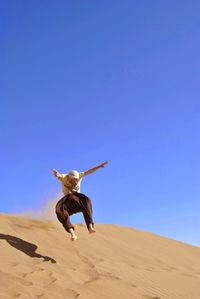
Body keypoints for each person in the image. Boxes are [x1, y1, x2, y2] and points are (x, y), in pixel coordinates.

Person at [53, 161, 109, 241]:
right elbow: (58, 176)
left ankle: (90, 227)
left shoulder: (80, 175)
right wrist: (57, 174)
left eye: (76, 180)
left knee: (86, 200)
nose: (74, 182)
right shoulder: (64, 177)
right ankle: (73, 234)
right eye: (73, 180)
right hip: (67, 200)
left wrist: (99, 166)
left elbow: (89, 171)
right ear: (69, 177)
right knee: (59, 210)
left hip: (77, 199)